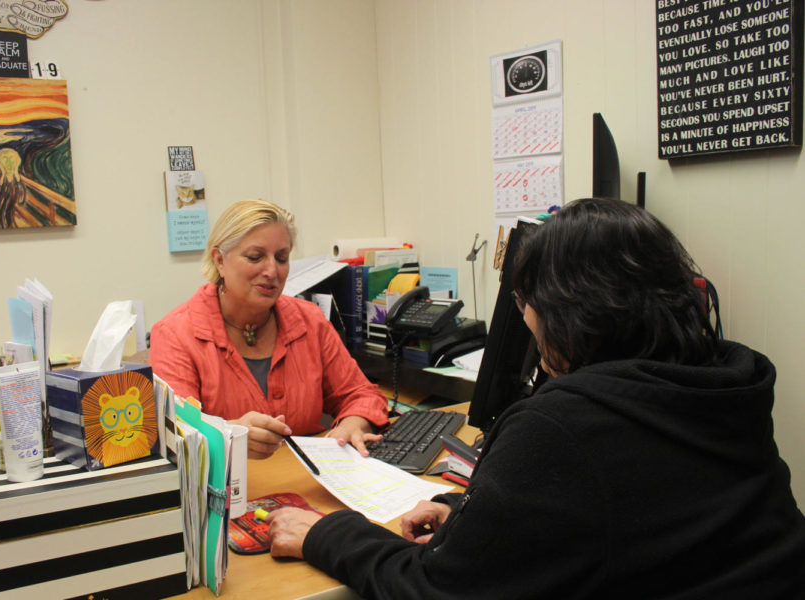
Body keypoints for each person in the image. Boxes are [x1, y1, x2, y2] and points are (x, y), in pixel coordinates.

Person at [265, 198, 805, 599]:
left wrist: (328, 534)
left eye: (526, 302)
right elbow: (637, 512)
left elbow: (439, 592)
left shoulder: (564, 424)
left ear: (575, 310)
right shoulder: (723, 386)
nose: (524, 320)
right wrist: (475, 513)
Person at [149, 199, 389, 459]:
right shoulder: (175, 334)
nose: (272, 271)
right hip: (230, 491)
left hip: (311, 481)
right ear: (219, 260)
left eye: (282, 258)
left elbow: (360, 394)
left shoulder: (309, 320)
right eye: (255, 257)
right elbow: (176, 433)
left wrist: (352, 425)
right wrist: (229, 434)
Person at [0, 147, 26, 228]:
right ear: (1, 163)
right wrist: (0, 183)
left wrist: (17, 179)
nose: (9, 162)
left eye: (11, 158)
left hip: (11, 216)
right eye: (5, 159)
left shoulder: (17, 181)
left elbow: (20, 201)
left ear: (16, 162)